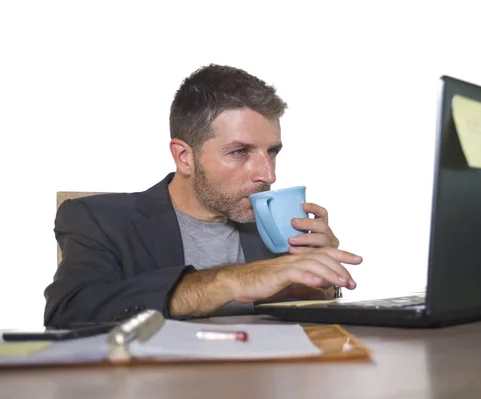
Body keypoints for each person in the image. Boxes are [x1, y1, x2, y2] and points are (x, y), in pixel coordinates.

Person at [44, 64, 362, 328]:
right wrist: (231, 281)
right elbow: (69, 313)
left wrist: (321, 283)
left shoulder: (277, 229)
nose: (268, 175)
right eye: (239, 152)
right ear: (184, 157)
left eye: (272, 152)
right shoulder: (98, 218)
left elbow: (305, 328)